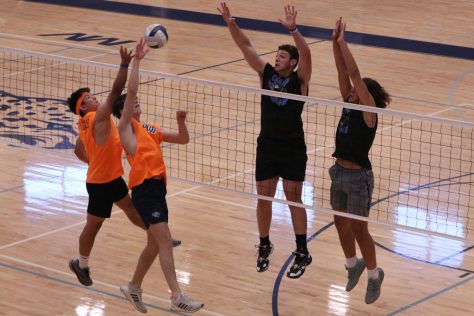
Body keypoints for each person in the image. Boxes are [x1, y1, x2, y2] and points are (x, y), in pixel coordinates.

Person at [67, 47, 181, 287]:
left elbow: (78, 148)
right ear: (83, 107)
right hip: (100, 183)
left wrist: (94, 161)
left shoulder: (86, 123)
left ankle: (159, 236)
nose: (94, 97)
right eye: (89, 98)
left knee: (131, 210)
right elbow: (118, 91)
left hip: (110, 177)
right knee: (94, 224)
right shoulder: (96, 117)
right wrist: (124, 65)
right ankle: (81, 262)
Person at [218, 2, 312, 278]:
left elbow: (306, 53)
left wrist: (294, 30)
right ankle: (264, 244)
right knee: (264, 197)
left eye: (283, 56)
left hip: (293, 146)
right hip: (268, 145)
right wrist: (231, 23)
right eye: (278, 55)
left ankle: (302, 251)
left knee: (294, 198)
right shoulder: (267, 74)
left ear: (292, 63)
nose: (278, 58)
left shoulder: (301, 79)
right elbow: (246, 47)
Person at [114, 39, 203, 313]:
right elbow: (130, 91)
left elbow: (183, 139)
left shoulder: (149, 129)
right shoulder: (125, 128)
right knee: (165, 241)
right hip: (144, 190)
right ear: (125, 112)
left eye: (138, 103)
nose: (137, 103)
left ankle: (133, 287)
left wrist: (181, 121)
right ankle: (176, 295)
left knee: (154, 245)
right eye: (133, 104)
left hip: (157, 190)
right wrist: (137, 61)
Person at [330, 17, 391, 304]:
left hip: (358, 177)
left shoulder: (369, 113)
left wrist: (345, 43)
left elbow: (354, 74)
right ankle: (352, 264)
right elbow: (343, 72)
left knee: (359, 227)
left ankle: (374, 273)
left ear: (366, 96)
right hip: (338, 171)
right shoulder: (348, 105)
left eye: (356, 90)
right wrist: (333, 43)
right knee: (340, 222)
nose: (350, 91)